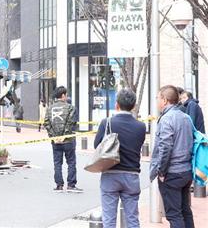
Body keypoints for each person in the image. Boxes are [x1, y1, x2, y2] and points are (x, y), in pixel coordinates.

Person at [94, 89, 146, 228]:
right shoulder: (141, 126)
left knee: (109, 220)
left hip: (110, 174)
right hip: (132, 176)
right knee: (132, 219)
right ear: (133, 106)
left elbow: (96, 145)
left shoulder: (107, 123)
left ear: (116, 105)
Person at [150, 85, 195, 228]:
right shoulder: (186, 117)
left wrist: (161, 171)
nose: (156, 101)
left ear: (165, 100)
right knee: (185, 211)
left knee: (174, 215)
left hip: (172, 173)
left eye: (158, 98)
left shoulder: (166, 119)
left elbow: (165, 147)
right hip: (186, 171)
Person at [44, 86, 82, 192]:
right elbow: (71, 123)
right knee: (71, 162)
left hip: (55, 141)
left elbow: (46, 123)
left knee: (57, 162)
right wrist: (64, 136)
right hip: (68, 140)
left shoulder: (49, 108)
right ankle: (71, 185)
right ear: (63, 95)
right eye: (66, 95)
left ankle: (59, 185)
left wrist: (54, 136)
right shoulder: (71, 108)